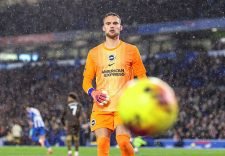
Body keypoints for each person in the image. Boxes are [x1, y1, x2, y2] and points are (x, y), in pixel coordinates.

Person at [82, 12, 147, 156]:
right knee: (102, 145)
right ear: (103, 28)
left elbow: (142, 76)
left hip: (124, 106)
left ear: (121, 27)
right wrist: (93, 92)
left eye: (115, 23)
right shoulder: (94, 53)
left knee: (123, 142)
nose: (112, 26)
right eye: (108, 24)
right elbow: (86, 81)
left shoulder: (131, 50)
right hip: (101, 107)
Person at [61, 92, 82, 156]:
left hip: (69, 123)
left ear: (71, 98)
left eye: (69, 97)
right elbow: (80, 116)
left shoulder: (67, 105)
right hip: (76, 123)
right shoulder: (79, 105)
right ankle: (76, 153)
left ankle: (69, 152)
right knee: (76, 138)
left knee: (68, 138)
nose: (68, 98)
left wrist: (64, 124)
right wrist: (79, 123)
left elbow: (62, 117)